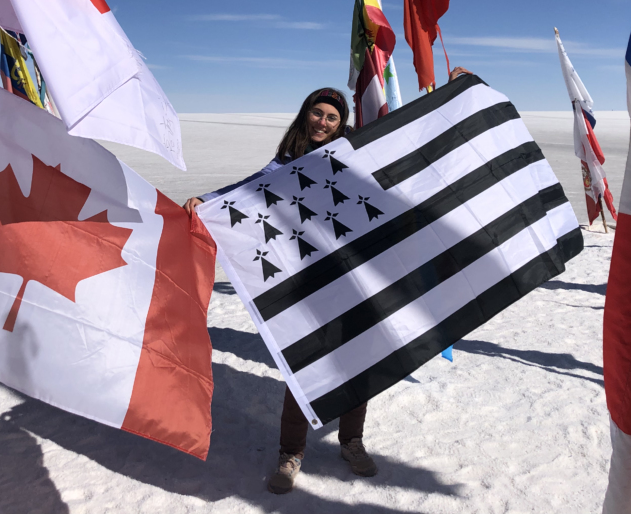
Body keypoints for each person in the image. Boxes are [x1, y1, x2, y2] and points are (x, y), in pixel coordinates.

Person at [183, 71, 471, 494]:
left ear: (342, 123)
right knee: (306, 364)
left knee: (360, 358)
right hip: (309, 279)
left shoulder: (356, 152)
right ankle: (291, 453)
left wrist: (451, 95)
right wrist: (208, 201)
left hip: (355, 274)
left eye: (332, 117)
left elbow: (409, 142)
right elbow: (249, 190)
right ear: (306, 115)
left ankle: (351, 441)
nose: (322, 121)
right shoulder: (286, 161)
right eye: (317, 113)